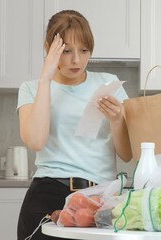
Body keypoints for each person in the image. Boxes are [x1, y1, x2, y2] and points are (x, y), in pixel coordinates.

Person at [16, 10, 132, 240]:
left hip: (100, 196)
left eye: (84, 50)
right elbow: (36, 140)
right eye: (66, 51)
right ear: (49, 47)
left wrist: (118, 120)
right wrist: (45, 80)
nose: (76, 60)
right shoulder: (31, 88)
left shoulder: (110, 85)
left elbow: (127, 154)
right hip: (48, 193)